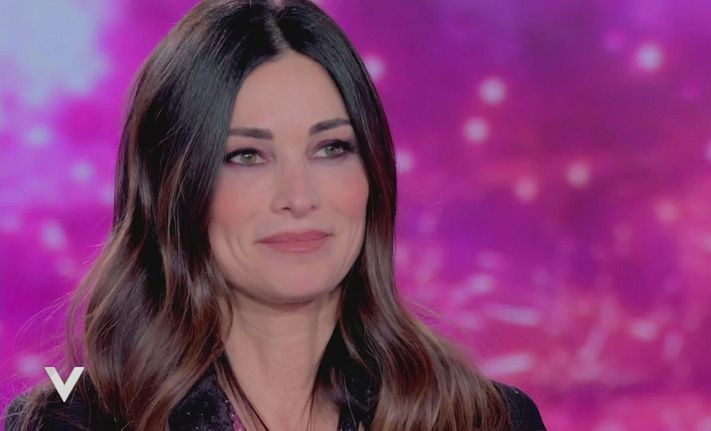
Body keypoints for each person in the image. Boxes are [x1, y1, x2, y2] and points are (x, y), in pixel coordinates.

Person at [3, 0, 546, 429]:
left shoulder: (487, 419)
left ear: (373, 175)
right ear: (174, 189)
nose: (299, 196)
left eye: (331, 148)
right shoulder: (70, 422)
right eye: (247, 156)